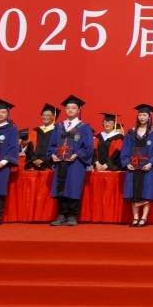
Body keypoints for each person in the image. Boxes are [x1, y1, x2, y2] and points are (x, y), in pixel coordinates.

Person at [47, 95, 94, 226]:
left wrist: (77, 154)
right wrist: (52, 155)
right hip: (60, 161)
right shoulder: (59, 126)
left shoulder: (84, 127)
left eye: (73, 108)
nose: (70, 110)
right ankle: (61, 214)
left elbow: (88, 147)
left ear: (78, 110)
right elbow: (52, 145)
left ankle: (72, 215)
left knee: (74, 186)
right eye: (68, 108)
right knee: (60, 187)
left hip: (75, 163)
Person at [121, 104, 153, 227]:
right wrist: (127, 163)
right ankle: (135, 217)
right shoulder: (131, 132)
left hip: (147, 167)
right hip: (133, 167)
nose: (142, 117)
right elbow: (125, 149)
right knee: (133, 191)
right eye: (140, 115)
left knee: (146, 191)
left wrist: (151, 163)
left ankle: (144, 217)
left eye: (144, 115)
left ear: (149, 117)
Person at [25, 104, 57, 171]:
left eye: (48, 115)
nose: (45, 117)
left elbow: (56, 147)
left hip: (48, 165)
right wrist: (34, 159)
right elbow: (30, 148)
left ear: (53, 117)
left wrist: (43, 159)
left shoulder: (57, 131)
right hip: (33, 165)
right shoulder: (35, 131)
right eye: (43, 115)